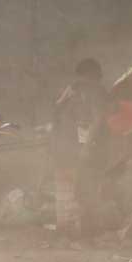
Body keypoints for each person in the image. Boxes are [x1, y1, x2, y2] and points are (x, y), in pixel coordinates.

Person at [52, 58, 111, 240]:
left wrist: (86, 147)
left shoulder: (94, 92)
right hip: (71, 146)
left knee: (84, 189)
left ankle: (83, 231)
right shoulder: (76, 90)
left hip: (85, 147)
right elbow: (58, 110)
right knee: (73, 189)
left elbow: (97, 120)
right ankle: (73, 230)